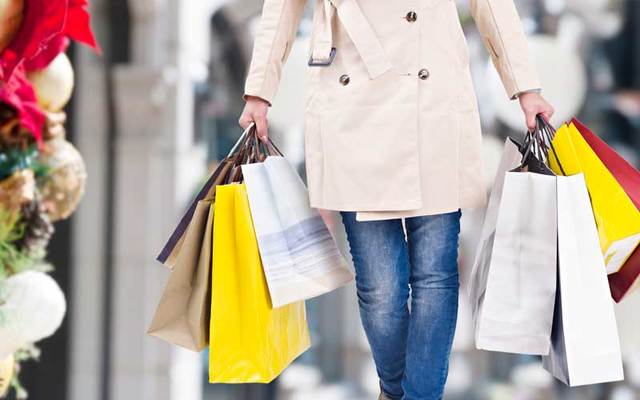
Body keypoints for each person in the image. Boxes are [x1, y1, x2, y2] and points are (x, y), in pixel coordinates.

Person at [239, 1, 554, 399]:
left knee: (435, 274)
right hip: (351, 103)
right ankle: (393, 390)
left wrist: (526, 87)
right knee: (380, 287)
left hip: (432, 102)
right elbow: (282, 8)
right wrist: (259, 93)